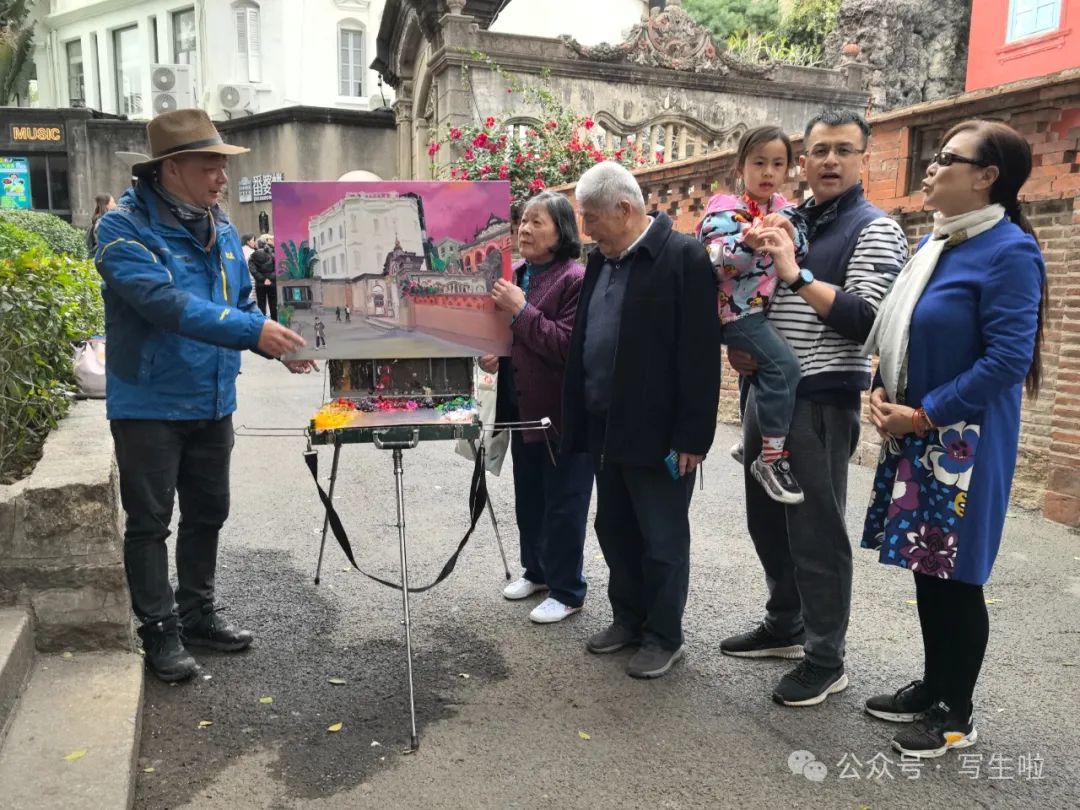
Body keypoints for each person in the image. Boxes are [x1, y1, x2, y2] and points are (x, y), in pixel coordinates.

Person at [94, 109, 317, 683]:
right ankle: (158, 629)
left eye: (223, 166)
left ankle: (196, 613)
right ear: (171, 168)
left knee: (208, 514)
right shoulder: (121, 229)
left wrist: (278, 346)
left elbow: (242, 304)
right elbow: (164, 304)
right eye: (210, 166)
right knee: (149, 522)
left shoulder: (218, 229)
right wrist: (252, 332)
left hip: (213, 398)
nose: (222, 178)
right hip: (149, 402)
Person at [860, 120, 1046, 757]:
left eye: (947, 158)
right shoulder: (938, 245)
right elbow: (903, 329)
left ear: (988, 177)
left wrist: (923, 415)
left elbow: (1007, 361)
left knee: (957, 574)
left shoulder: (1009, 251)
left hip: (962, 443)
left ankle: (954, 712)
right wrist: (882, 386)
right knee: (926, 563)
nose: (932, 168)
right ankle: (934, 684)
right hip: (919, 433)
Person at [720, 110, 908, 707]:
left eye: (843, 151)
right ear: (804, 161)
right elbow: (750, 290)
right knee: (765, 518)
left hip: (821, 398)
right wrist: (745, 349)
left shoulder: (875, 228)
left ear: (863, 159)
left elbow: (867, 320)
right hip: (768, 394)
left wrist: (796, 274)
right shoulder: (790, 217)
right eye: (820, 150)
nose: (829, 161)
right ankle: (785, 623)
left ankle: (826, 658)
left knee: (815, 531)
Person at [562, 161, 722, 679]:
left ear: (625, 210)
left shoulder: (682, 257)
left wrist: (693, 436)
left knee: (662, 539)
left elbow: (700, 355)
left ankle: (663, 635)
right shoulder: (602, 261)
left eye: (591, 218)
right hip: (607, 426)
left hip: (662, 436)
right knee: (614, 527)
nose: (586, 229)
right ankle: (628, 620)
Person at [478, 191, 593, 625]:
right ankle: (537, 572)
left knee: (565, 502)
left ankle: (568, 590)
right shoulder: (518, 273)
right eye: (522, 221)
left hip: (560, 414)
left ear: (561, 231)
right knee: (529, 497)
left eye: (537, 222)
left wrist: (522, 310)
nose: (524, 230)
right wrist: (492, 353)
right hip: (519, 406)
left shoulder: (576, 279)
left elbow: (566, 346)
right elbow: (500, 335)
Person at [697, 125, 809, 504]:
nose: (768, 172)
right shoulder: (725, 212)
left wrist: (790, 232)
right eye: (759, 162)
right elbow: (710, 263)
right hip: (737, 314)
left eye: (778, 164)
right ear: (741, 166)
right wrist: (744, 244)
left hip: (763, 312)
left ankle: (752, 444)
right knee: (786, 369)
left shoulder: (784, 211)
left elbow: (801, 252)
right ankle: (771, 458)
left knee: (768, 374)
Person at [248, 234, 278, 323]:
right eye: (271, 239)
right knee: (273, 305)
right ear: (266, 240)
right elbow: (278, 268)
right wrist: (270, 278)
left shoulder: (254, 255)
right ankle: (275, 324)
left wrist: (263, 279)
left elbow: (252, 270)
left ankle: (263, 325)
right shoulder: (274, 254)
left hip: (260, 284)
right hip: (272, 283)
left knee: (261, 305)